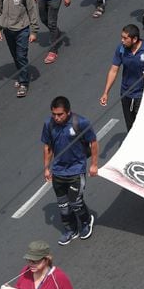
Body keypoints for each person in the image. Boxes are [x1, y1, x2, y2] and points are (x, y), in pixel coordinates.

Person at [42, 96, 99, 245]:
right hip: (58, 171)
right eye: (54, 114)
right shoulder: (49, 124)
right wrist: (46, 168)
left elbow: (93, 142)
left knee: (75, 202)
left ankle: (86, 221)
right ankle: (71, 230)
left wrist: (93, 164)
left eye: (60, 114)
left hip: (76, 170)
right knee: (63, 206)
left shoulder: (80, 123)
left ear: (68, 112)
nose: (56, 117)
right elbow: (47, 147)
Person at [100, 24, 144, 129]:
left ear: (134, 39)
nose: (122, 40)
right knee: (130, 127)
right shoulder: (121, 49)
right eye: (122, 37)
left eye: (125, 38)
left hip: (143, 94)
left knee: (142, 126)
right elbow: (113, 70)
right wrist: (105, 92)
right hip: (126, 94)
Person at [0, 0, 40, 98]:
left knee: (21, 56)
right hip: (8, 31)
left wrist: (34, 31)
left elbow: (32, 12)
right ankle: (21, 75)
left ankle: (23, 83)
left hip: (22, 30)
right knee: (15, 55)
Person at [11, 240, 77, 289]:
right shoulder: (25, 271)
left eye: (35, 261)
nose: (30, 264)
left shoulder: (58, 276)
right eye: (28, 260)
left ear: (46, 260)